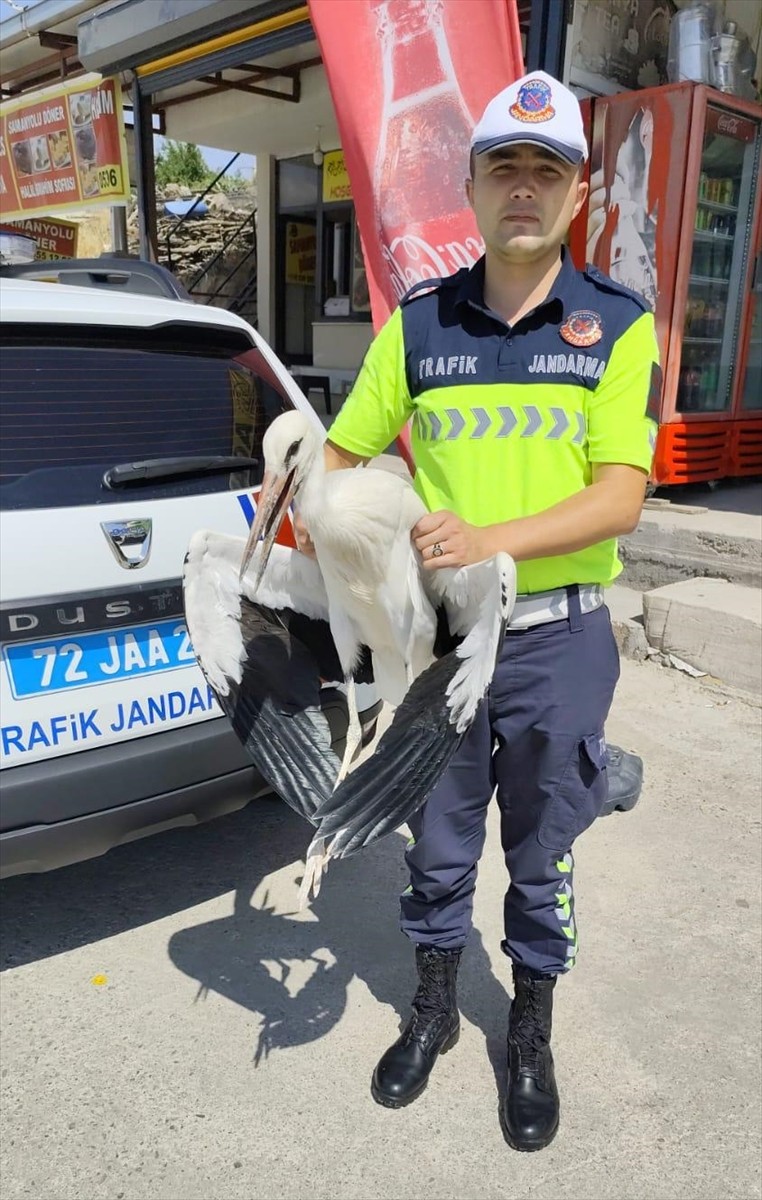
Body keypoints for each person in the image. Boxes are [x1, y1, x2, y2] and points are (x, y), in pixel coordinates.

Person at [295, 70, 659, 1152]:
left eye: (548, 171)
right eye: (505, 166)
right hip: (439, 644)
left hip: (559, 637)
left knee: (544, 851)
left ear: (576, 196)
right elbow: (344, 449)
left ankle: (531, 1033)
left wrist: (488, 540)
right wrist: (305, 502)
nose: (524, 189)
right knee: (437, 845)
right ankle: (436, 1012)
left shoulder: (616, 328)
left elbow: (621, 496)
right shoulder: (419, 328)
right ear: (471, 182)